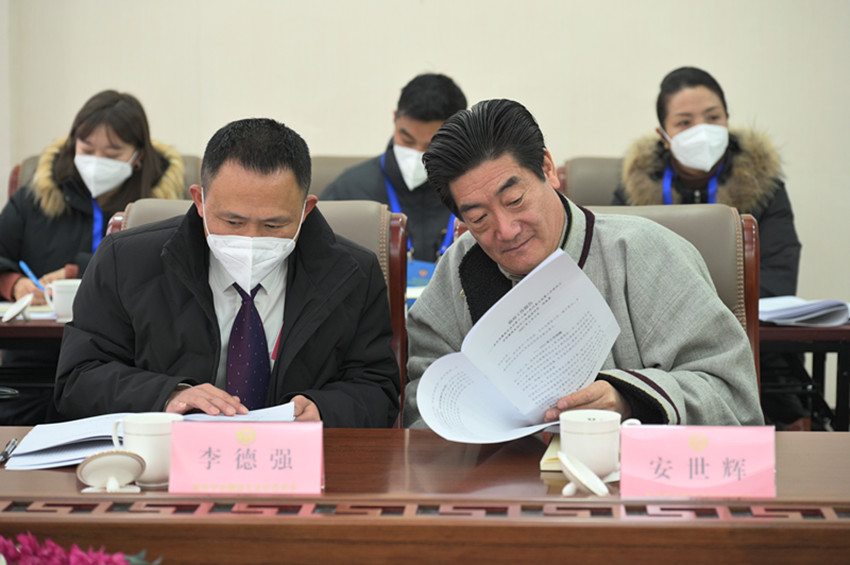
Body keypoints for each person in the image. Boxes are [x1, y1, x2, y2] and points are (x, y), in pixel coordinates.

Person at [404, 99, 763, 429]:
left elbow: (734, 397)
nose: (506, 230)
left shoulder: (645, 253)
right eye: (479, 218)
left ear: (547, 168)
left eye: (514, 200)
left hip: (630, 474)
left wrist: (628, 400)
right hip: (504, 474)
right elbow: (424, 405)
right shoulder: (460, 270)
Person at [53, 118, 399, 428]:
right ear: (199, 201)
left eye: (273, 225)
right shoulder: (125, 261)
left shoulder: (353, 273)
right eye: (232, 222)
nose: (251, 239)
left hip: (298, 462)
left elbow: (377, 388)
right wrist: (167, 395)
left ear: (305, 210)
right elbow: (78, 379)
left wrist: (325, 409)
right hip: (167, 461)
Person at [612, 67, 807, 428]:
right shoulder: (632, 195)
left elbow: (778, 277)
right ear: (663, 135)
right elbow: (619, 283)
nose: (701, 131)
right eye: (684, 123)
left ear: (728, 120)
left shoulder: (765, 188)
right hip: (658, 355)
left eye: (713, 118)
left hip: (757, 353)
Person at [0, 89, 185, 425]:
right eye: (87, 150)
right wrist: (14, 284)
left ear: (138, 156)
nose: (97, 161)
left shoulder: (160, 209)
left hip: (129, 368)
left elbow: (168, 274)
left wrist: (78, 270)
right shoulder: (36, 197)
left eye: (112, 153)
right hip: (34, 363)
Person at [321, 73, 467, 263]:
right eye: (407, 140)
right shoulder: (348, 190)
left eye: (432, 145)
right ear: (395, 118)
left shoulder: (475, 188)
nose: (417, 154)